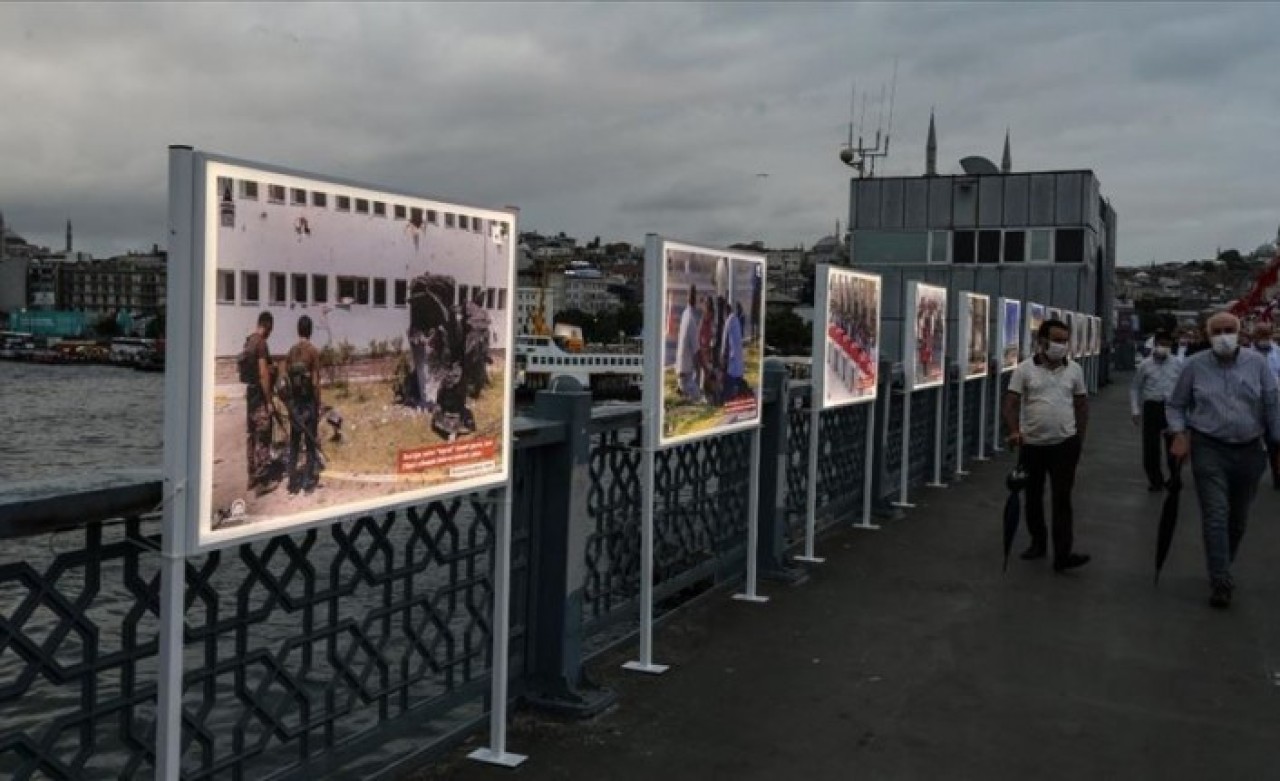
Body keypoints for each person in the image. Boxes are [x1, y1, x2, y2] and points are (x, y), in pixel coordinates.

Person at [1167, 312, 1280, 608]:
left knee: (1238, 519)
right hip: (1209, 447)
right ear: (1208, 334)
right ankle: (1220, 580)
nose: (1224, 336)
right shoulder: (1194, 365)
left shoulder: (1257, 364)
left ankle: (1222, 562)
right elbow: (1177, 404)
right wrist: (1179, 434)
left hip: (1250, 449)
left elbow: (1270, 402)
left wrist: (1276, 442)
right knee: (1215, 514)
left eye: (1230, 329)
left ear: (1240, 332)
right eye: (1217, 331)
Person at [1003, 318, 1090, 572]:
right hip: (1032, 445)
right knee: (1033, 497)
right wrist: (1014, 431)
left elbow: (1082, 404)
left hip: (1065, 444)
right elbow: (1010, 403)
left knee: (1062, 498)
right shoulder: (1024, 370)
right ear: (1042, 341)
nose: (1061, 345)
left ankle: (1063, 554)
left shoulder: (1074, 370)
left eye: (1065, 341)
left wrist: (1078, 439)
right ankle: (1038, 542)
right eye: (1056, 340)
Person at [1130, 330, 1183, 491]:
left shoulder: (1177, 364)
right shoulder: (1145, 365)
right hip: (1152, 406)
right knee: (1151, 447)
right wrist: (1135, 410)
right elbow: (1135, 387)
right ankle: (1155, 480)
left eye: (1167, 345)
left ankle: (1174, 478)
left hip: (1171, 408)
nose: (1164, 348)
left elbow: (1184, 388)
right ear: (1155, 345)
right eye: (1161, 344)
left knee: (1173, 448)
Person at [284, 315, 322, 495]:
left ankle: (292, 483)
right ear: (310, 330)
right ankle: (307, 481)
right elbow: (315, 382)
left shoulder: (291, 352)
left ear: (298, 330)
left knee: (294, 442)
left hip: (295, 404)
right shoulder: (313, 352)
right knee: (310, 442)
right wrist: (318, 403)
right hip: (308, 403)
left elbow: (286, 380)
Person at [243, 311, 278, 496]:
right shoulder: (261, 344)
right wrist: (269, 401)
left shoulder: (249, 341)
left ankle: (251, 477)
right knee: (263, 436)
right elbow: (264, 374)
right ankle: (263, 481)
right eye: (271, 328)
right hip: (259, 397)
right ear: (268, 325)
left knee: (251, 436)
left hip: (250, 396)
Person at [1248, 322, 1280, 488]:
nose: (1264, 339)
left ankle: (1277, 475)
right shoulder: (1246, 355)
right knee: (1250, 443)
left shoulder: (1278, 353)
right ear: (1255, 336)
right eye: (1260, 335)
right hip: (1251, 405)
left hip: (1274, 404)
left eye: (1266, 335)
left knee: (1275, 442)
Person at [675, 285, 701, 401]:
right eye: (693, 295)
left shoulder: (685, 314)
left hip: (681, 370)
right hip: (686, 375)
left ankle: (682, 391)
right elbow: (696, 350)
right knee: (699, 399)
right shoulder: (690, 319)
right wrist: (702, 368)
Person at [721, 300, 746, 399]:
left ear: (725, 311)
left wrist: (722, 364)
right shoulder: (736, 321)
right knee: (737, 397)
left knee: (729, 397)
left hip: (731, 369)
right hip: (739, 368)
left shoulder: (729, 321)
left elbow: (725, 346)